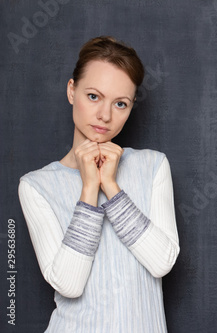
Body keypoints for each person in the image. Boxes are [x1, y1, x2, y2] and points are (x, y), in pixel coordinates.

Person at [18, 36, 179, 333]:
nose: (105, 115)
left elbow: (162, 263)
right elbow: (69, 284)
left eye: (120, 103)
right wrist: (90, 189)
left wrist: (112, 187)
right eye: (94, 96)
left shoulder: (153, 166)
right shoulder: (37, 185)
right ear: (71, 90)